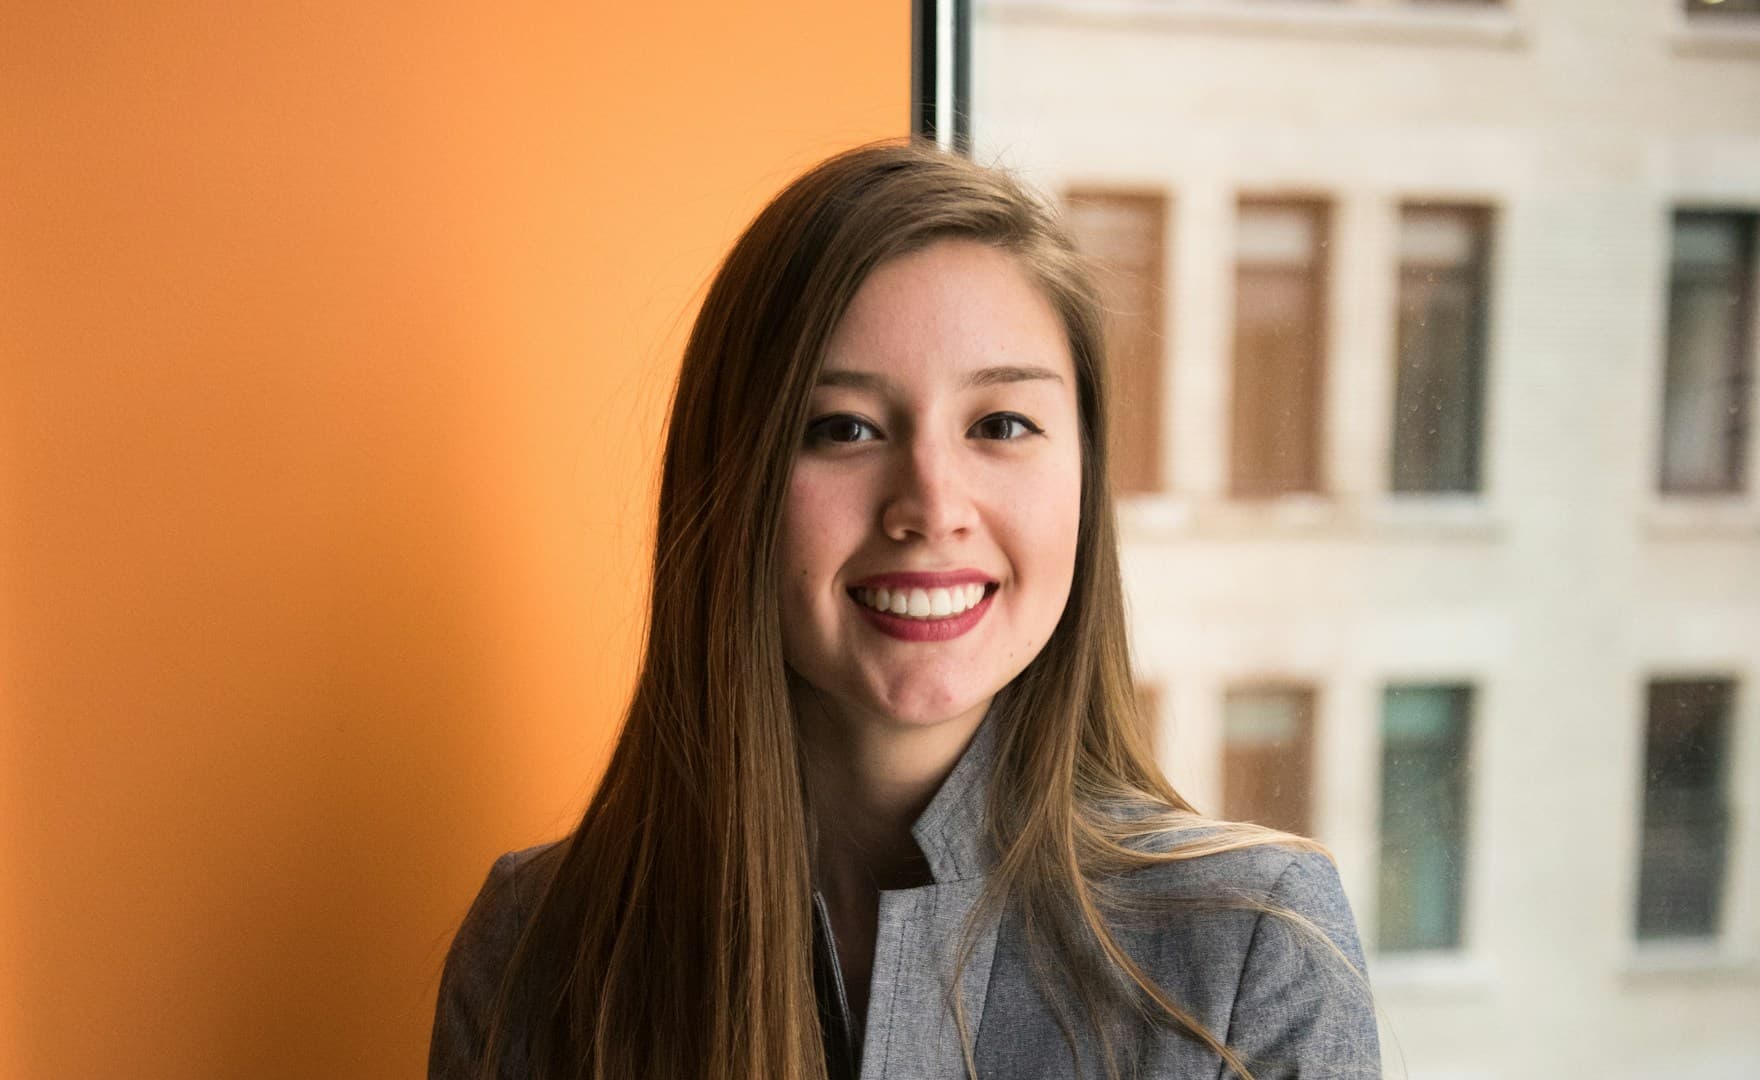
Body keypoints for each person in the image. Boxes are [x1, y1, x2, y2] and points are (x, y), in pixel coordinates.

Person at [429, 141, 1380, 1080]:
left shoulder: (1255, 946)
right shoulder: (535, 949)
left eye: (1000, 425)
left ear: (1085, 479)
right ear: (730, 483)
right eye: (844, 428)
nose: (929, 506)